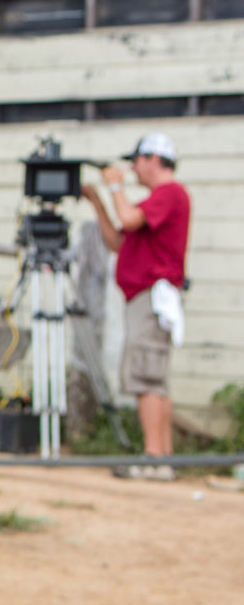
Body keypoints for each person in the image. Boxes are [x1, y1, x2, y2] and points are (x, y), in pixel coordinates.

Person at [83, 131, 192, 479]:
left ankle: (153, 459)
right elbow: (118, 240)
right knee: (154, 379)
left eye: (137, 160)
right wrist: (99, 202)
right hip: (144, 298)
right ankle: (163, 460)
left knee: (146, 378)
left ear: (155, 160)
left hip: (151, 297)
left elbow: (127, 219)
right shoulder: (152, 203)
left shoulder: (169, 193)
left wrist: (115, 187)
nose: (132, 167)